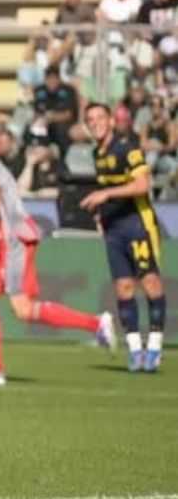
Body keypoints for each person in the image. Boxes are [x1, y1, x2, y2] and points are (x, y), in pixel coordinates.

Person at [0, 115, 114, 384]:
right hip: (3, 237)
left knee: (22, 308)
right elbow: (2, 201)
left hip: (14, 240)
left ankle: (96, 324)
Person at [81, 103, 166, 372]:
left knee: (150, 283)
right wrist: (101, 214)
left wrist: (106, 195)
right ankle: (135, 349)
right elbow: (108, 186)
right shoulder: (98, 153)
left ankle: (154, 346)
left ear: (111, 121)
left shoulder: (127, 147)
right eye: (90, 120)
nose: (95, 123)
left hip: (138, 223)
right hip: (114, 227)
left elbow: (143, 185)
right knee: (123, 288)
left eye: (100, 118)